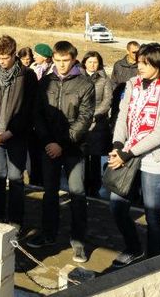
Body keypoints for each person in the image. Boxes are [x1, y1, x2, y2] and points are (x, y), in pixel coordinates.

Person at [108, 42, 160, 267]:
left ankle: (153, 262)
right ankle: (133, 247)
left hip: (155, 160)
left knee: (153, 215)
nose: (140, 67)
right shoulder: (132, 84)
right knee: (117, 205)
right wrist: (119, 145)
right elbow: (122, 115)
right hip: (128, 154)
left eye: (145, 63)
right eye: (139, 62)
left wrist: (127, 153)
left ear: (158, 65)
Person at [27, 41, 94, 263]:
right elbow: (37, 114)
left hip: (73, 148)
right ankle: (48, 234)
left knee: (77, 193)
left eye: (66, 60)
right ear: (52, 59)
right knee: (50, 193)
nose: (62, 65)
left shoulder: (85, 84)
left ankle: (78, 241)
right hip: (49, 147)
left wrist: (62, 144)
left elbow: (84, 119)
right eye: (58, 60)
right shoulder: (46, 81)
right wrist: (48, 141)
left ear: (74, 59)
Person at [0, 35, 37, 229]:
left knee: (16, 178)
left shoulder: (26, 76)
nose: (1, 62)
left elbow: (29, 110)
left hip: (16, 136)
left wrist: (12, 132)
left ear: (14, 54)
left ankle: (16, 220)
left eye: (5, 58)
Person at [80, 51, 113, 197]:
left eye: (95, 62)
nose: (93, 65)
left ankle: (94, 187)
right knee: (82, 156)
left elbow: (107, 101)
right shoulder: (78, 77)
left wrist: (94, 115)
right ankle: (82, 185)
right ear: (84, 63)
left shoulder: (104, 79)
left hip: (98, 124)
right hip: (80, 122)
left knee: (95, 157)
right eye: (90, 62)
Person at [110, 41, 140, 126]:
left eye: (138, 52)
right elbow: (113, 82)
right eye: (134, 52)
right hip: (118, 103)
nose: (137, 54)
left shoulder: (142, 66)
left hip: (134, 104)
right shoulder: (118, 65)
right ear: (127, 51)